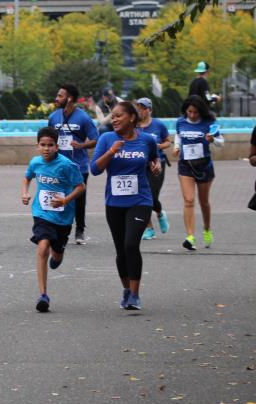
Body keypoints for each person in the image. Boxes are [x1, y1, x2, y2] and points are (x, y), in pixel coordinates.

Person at [90, 100, 161, 311]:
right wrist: (111, 152)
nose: (114, 119)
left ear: (131, 117)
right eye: (112, 116)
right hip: (114, 202)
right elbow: (95, 169)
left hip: (140, 200)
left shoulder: (147, 140)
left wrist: (156, 165)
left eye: (118, 116)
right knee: (121, 250)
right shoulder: (106, 139)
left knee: (131, 245)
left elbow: (154, 158)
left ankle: (135, 295)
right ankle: (127, 290)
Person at [21, 126, 86, 313]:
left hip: (63, 217)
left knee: (56, 255)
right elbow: (27, 178)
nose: (46, 149)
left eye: (50, 145)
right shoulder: (35, 163)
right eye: (43, 145)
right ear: (37, 146)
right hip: (41, 213)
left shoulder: (67, 165)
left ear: (57, 147)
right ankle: (43, 295)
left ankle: (58, 254)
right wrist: (25, 193)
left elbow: (80, 187)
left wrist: (65, 200)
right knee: (43, 247)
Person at [46, 84, 98, 244]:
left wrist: (81, 145)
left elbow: (95, 139)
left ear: (69, 99)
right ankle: (56, 229)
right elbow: (48, 139)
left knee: (79, 199)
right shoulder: (54, 117)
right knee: (57, 196)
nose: (56, 98)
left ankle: (80, 230)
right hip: (58, 165)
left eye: (60, 96)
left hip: (78, 166)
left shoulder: (83, 118)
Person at [174, 95, 223, 250]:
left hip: (204, 166)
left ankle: (207, 229)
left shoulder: (209, 122)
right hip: (185, 166)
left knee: (204, 202)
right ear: (186, 110)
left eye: (196, 112)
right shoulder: (180, 122)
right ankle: (190, 237)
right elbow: (178, 135)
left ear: (201, 111)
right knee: (189, 200)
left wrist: (212, 140)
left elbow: (221, 142)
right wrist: (176, 147)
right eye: (190, 112)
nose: (193, 115)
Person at [135, 97, 172, 240]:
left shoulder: (158, 125)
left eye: (143, 108)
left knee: (152, 196)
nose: (140, 111)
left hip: (157, 163)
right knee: (142, 197)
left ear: (149, 110)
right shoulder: (134, 125)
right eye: (138, 108)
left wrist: (157, 146)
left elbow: (168, 142)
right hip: (139, 164)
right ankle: (149, 228)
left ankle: (160, 213)